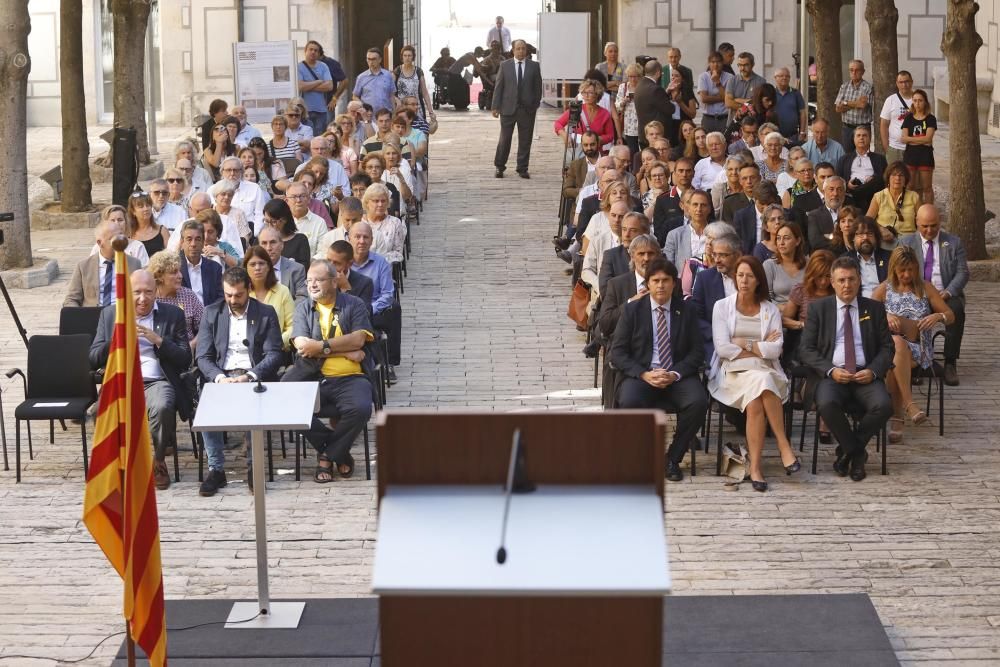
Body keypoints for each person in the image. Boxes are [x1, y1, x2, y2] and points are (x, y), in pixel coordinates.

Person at [90, 269, 191, 491]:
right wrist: (118, 338)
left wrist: (159, 341)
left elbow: (185, 358)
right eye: (137, 292)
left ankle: (158, 460)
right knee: (102, 410)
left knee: (163, 405)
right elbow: (93, 357)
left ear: (156, 292)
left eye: (148, 292)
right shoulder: (110, 314)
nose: (142, 299)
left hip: (157, 380)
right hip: (121, 381)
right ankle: (115, 464)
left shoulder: (172, 314)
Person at [610, 257, 707, 482]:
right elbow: (618, 352)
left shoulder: (687, 310)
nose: (661, 285)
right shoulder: (633, 310)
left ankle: (672, 458)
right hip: (643, 374)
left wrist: (673, 374)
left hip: (676, 375)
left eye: (666, 280)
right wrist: (644, 373)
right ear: (647, 284)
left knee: (699, 401)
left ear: (674, 283)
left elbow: (697, 352)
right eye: (656, 281)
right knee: (629, 400)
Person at [799, 256, 895, 481]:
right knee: (826, 403)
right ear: (832, 282)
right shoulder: (819, 309)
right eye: (841, 280)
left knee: (884, 405)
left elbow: (887, 348)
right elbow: (806, 349)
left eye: (851, 279)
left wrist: (873, 370)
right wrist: (831, 370)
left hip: (865, 375)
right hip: (833, 376)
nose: (847, 285)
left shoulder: (875, 308)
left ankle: (847, 452)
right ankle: (857, 454)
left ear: (859, 280)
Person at [709, 256, 798, 491]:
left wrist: (744, 344)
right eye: (740, 275)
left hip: (765, 371)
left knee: (758, 394)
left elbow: (776, 350)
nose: (744, 280)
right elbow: (723, 349)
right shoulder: (722, 307)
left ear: (758, 280)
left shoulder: (770, 310)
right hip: (734, 374)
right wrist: (759, 347)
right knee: (763, 381)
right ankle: (783, 445)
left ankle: (756, 468)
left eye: (749, 276)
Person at [283, 260, 375, 481]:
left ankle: (327, 455)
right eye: (309, 280)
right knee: (287, 403)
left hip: (351, 377)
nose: (312, 285)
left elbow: (359, 338)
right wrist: (344, 351)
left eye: (318, 280)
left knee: (361, 408)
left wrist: (322, 347)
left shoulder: (354, 304)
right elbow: (304, 348)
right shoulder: (304, 307)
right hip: (313, 376)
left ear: (334, 282)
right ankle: (339, 452)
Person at [195, 266, 284, 495]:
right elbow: (203, 356)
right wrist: (219, 378)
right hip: (222, 376)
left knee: (252, 408)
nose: (233, 300)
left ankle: (254, 469)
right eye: (228, 295)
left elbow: (274, 354)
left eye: (238, 295)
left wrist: (250, 376)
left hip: (252, 376)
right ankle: (217, 470)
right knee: (208, 406)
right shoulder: (211, 313)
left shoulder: (265, 313)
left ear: (249, 290)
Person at [871, 245, 954, 443]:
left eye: (911, 269)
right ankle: (909, 406)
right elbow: (867, 316)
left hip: (920, 348)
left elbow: (951, 316)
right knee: (896, 345)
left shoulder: (925, 287)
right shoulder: (883, 289)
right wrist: (886, 315)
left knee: (896, 350)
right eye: (902, 270)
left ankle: (897, 417)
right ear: (894, 269)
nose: (907, 274)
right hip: (889, 347)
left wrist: (938, 316)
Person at [900, 204, 969, 386]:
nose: (930, 230)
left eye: (934, 225)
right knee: (909, 310)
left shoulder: (953, 243)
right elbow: (899, 272)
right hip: (916, 293)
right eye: (925, 226)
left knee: (956, 310)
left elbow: (962, 272)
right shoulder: (905, 243)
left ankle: (950, 362)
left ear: (940, 222)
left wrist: (947, 292)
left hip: (945, 292)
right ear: (916, 222)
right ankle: (915, 363)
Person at [349, 222, 402, 381]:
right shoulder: (342, 262)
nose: (361, 241)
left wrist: (370, 308)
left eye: (366, 237)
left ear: (372, 241)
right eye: (357, 237)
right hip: (348, 310)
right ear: (349, 238)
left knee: (394, 309)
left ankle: (389, 363)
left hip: (373, 309)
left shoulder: (381, 263)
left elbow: (387, 293)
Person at [492, 40, 543, 178]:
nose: (521, 51)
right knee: (504, 139)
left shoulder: (534, 66)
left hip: (527, 110)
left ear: (526, 50)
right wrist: (495, 106)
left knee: (525, 140)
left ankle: (522, 168)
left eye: (523, 48)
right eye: (518, 48)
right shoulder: (505, 65)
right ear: (513, 50)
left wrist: (535, 104)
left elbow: (538, 87)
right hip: (507, 109)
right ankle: (499, 166)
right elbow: (499, 87)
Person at [65, 219, 143, 307]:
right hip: (93, 315)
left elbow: (141, 295)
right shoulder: (84, 266)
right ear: (100, 243)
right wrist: (78, 316)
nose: (120, 241)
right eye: (113, 239)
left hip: (122, 315)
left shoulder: (134, 264)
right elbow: (72, 299)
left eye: (121, 236)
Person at [692, 233, 741, 362]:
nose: (717, 260)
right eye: (715, 254)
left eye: (723, 255)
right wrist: (719, 335)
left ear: (737, 255)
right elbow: (696, 316)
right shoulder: (704, 278)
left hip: (746, 337)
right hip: (715, 340)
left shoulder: (749, 276)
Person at [148, 248, 205, 346]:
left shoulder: (188, 295)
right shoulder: (150, 298)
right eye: (174, 272)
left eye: (179, 271)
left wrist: (192, 345)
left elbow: (206, 326)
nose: (180, 276)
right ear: (160, 275)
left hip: (186, 351)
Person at [243, 246, 295, 350]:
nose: (257, 268)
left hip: (277, 351)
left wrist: (276, 343)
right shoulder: (242, 293)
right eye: (252, 264)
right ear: (246, 268)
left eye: (261, 263)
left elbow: (293, 326)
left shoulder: (283, 291)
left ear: (269, 267)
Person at [836, 126, 887, 214]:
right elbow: (838, 178)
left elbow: (884, 179)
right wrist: (848, 184)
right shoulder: (844, 159)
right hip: (851, 194)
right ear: (853, 139)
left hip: (872, 194)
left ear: (870, 138)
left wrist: (873, 178)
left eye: (864, 135)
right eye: (858, 135)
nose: (861, 138)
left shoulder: (880, 159)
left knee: (876, 180)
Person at [554, 78, 615, 151]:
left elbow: (610, 135)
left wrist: (598, 139)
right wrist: (565, 135)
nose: (586, 95)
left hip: (595, 154)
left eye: (590, 92)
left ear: (597, 94)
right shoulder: (576, 110)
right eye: (584, 92)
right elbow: (558, 123)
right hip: (577, 152)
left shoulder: (604, 114)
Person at [866, 161, 920, 243]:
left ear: (906, 179)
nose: (897, 178)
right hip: (885, 240)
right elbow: (868, 220)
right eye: (894, 175)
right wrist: (880, 230)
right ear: (888, 178)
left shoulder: (914, 197)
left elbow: (923, 221)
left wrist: (918, 239)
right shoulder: (879, 196)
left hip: (909, 241)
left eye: (901, 175)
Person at [900, 89, 937, 205]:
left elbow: (928, 139)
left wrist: (911, 140)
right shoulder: (908, 118)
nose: (917, 103)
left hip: (925, 157)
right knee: (910, 186)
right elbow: (903, 138)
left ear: (925, 102)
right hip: (910, 156)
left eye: (920, 100)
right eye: (915, 101)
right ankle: (913, 211)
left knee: (927, 187)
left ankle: (929, 212)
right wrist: (921, 140)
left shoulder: (930, 119)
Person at [175, 220, 223, 307]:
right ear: (182, 242)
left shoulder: (215, 268)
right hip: (181, 317)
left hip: (209, 317)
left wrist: (208, 314)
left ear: (203, 242)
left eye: (198, 239)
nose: (193, 244)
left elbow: (221, 298)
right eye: (189, 239)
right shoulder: (173, 268)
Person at [257, 225, 307, 302]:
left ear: (282, 245)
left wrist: (288, 312)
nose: (268, 248)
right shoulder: (250, 269)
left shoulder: (297, 269)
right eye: (264, 243)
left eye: (273, 242)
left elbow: (302, 299)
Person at [664, 189, 711, 270]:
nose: (699, 209)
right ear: (688, 208)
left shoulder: (718, 235)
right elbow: (668, 267)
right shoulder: (675, 235)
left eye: (703, 205)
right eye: (695, 204)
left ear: (709, 209)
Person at [633, 59, 675, 149]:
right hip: (656, 138)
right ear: (658, 72)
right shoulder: (655, 89)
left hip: (644, 135)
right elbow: (670, 109)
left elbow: (652, 102)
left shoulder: (640, 85)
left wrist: (665, 92)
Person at [762, 221, 806, 306]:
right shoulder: (769, 265)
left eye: (786, 238)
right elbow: (766, 297)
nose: (781, 243)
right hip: (777, 313)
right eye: (778, 238)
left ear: (797, 241)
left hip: (803, 312)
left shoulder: (809, 264)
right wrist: (778, 308)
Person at [361, 183, 406, 264]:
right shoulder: (359, 223)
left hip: (384, 268)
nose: (380, 204)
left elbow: (398, 253)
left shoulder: (395, 223)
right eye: (376, 201)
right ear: (367, 203)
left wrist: (377, 260)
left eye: (383, 201)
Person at [845, 218, 890, 298]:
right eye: (860, 234)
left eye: (870, 233)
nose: (865, 237)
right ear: (853, 238)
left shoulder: (889, 258)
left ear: (876, 237)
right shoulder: (845, 260)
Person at [834, 60, 874, 148]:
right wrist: (856, 103)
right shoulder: (844, 87)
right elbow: (838, 108)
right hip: (847, 128)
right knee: (848, 156)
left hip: (863, 129)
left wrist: (845, 103)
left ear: (863, 72)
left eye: (857, 70)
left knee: (863, 154)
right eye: (851, 70)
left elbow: (862, 105)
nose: (854, 72)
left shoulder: (868, 88)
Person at [326, 239, 375, 311]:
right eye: (328, 260)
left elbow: (364, 316)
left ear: (350, 264)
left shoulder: (365, 283)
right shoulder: (319, 278)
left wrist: (346, 288)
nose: (330, 267)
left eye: (337, 263)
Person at [879, 70, 914, 165]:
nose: (904, 85)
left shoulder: (918, 99)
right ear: (897, 84)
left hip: (914, 148)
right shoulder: (891, 100)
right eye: (901, 82)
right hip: (895, 148)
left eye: (907, 81)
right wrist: (887, 148)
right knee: (895, 177)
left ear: (911, 82)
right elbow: (884, 124)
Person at [298, 40, 334, 131]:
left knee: (320, 140)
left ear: (318, 53)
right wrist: (318, 82)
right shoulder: (299, 67)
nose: (313, 52)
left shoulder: (323, 66)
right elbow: (301, 86)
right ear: (305, 51)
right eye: (311, 49)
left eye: (316, 50)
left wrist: (308, 85)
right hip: (305, 111)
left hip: (321, 111)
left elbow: (329, 86)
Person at [806, 175, 847, 252]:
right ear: (824, 191)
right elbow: (815, 242)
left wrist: (829, 236)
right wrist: (840, 239)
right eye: (831, 189)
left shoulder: (853, 213)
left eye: (839, 189)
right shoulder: (814, 215)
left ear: (844, 193)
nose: (835, 194)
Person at [724, 51, 767, 124]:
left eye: (746, 65)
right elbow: (728, 103)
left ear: (752, 64)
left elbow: (758, 103)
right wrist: (746, 104)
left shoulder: (761, 82)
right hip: (734, 124)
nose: (742, 68)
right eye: (740, 65)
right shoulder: (732, 80)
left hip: (753, 125)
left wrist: (736, 99)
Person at [126, 191, 170, 259]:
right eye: (141, 207)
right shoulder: (128, 234)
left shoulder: (162, 231)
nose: (146, 209)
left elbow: (170, 257)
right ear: (133, 211)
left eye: (148, 205)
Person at [773, 66, 807, 143]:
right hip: (775, 136)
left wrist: (802, 132)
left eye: (787, 76)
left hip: (793, 136)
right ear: (775, 78)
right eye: (781, 76)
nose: (784, 78)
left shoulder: (796, 93)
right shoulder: (771, 93)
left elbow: (802, 113)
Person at [665, 67, 696, 147]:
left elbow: (692, 114)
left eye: (676, 76)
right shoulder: (667, 91)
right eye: (672, 75)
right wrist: (667, 91)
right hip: (671, 126)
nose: (673, 78)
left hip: (683, 124)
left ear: (682, 78)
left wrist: (680, 102)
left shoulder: (687, 91)